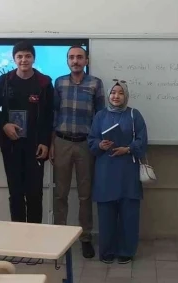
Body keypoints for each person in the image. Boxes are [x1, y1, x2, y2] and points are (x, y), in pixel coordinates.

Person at [51, 45, 105, 259]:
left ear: (86, 60)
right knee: (60, 193)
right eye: (72, 57)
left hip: (85, 144)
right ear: (67, 61)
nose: (75, 61)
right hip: (62, 141)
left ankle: (85, 238)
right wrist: (52, 143)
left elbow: (100, 117)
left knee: (85, 194)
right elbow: (54, 115)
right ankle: (59, 236)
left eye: (79, 57)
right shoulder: (59, 83)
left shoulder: (95, 84)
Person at [0, 42, 54, 223]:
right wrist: (4, 124)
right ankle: (18, 235)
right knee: (16, 193)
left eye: (27, 56)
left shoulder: (44, 83)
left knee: (35, 194)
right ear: (14, 59)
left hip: (36, 147)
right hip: (11, 145)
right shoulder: (4, 81)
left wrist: (45, 142)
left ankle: (35, 236)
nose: (23, 60)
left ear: (33, 58)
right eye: (19, 56)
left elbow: (49, 115)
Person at [88, 81, 148, 264]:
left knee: (129, 214)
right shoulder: (100, 115)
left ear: (126, 96)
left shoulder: (134, 115)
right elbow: (91, 140)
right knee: (106, 215)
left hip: (128, 171)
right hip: (105, 170)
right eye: (113, 92)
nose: (116, 96)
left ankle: (126, 251)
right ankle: (107, 251)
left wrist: (128, 149)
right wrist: (100, 144)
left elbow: (142, 140)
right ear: (108, 95)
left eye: (120, 93)